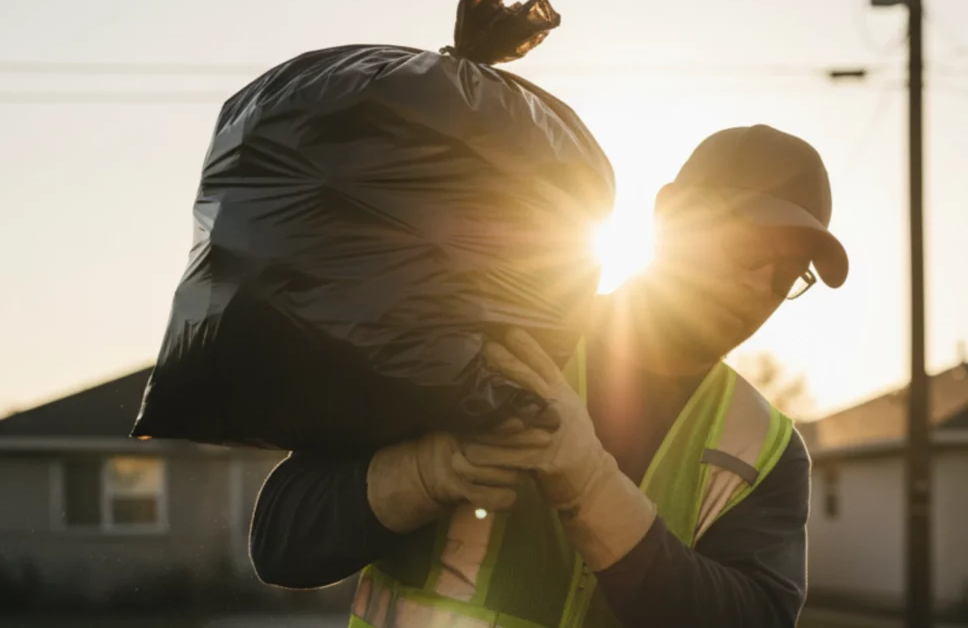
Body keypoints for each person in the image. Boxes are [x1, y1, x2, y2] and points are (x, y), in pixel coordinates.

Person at [249, 124, 849, 627]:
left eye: (788, 274)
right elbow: (282, 543)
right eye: (748, 250)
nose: (759, 289)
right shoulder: (489, 341)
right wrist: (428, 472)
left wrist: (592, 487)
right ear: (672, 215)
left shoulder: (765, 451)